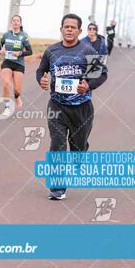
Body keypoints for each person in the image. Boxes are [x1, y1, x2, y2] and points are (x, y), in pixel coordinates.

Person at [36, 14, 108, 200]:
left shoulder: (88, 50)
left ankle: (81, 150)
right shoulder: (52, 51)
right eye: (66, 27)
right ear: (61, 30)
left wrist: (88, 85)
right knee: (57, 145)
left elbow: (101, 74)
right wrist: (42, 81)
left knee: (78, 148)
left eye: (72, 27)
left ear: (79, 31)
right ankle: (57, 188)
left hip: (82, 108)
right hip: (57, 106)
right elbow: (40, 70)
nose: (69, 29)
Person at [0, 15, 33, 116]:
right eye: (14, 20)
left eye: (18, 21)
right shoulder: (5, 35)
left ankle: (17, 97)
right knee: (6, 84)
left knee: (17, 89)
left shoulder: (23, 36)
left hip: (19, 64)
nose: (16, 22)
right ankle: (6, 107)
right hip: (7, 63)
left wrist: (20, 53)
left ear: (20, 24)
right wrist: (1, 51)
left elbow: (30, 51)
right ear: (11, 23)